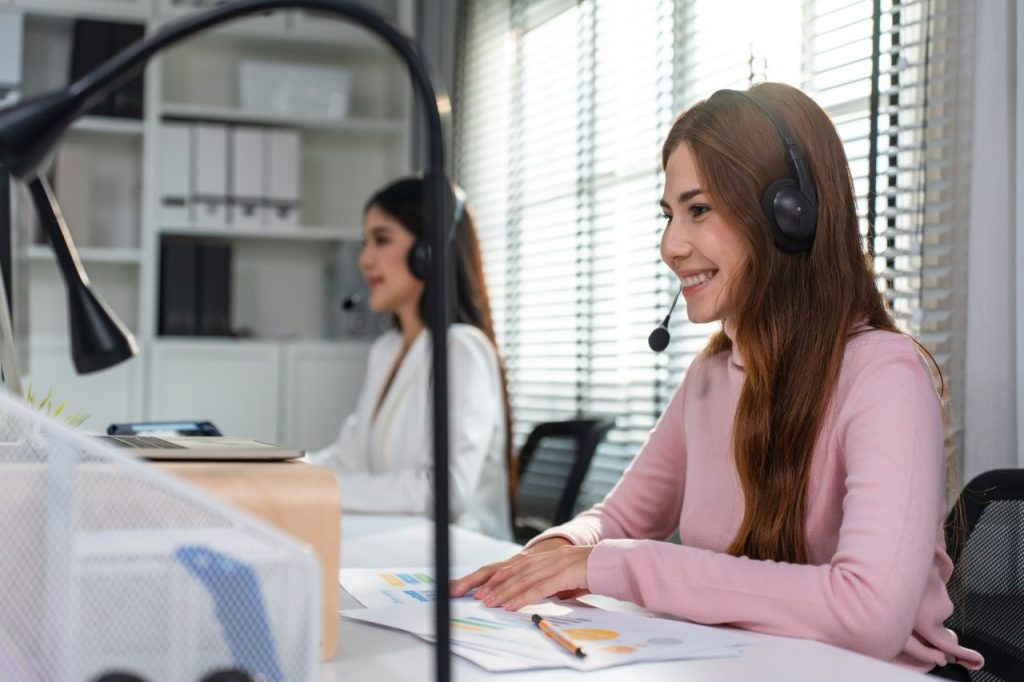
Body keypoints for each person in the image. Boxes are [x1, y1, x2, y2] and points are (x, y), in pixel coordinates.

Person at [451, 83, 983, 678]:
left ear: (790, 216)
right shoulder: (712, 374)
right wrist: (561, 549)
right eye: (669, 215)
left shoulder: (885, 376)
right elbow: (620, 519)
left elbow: (870, 613)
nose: (670, 245)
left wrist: (611, 566)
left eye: (698, 209)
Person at [307, 176, 514, 540]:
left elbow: (445, 490)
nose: (364, 259)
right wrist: (284, 472)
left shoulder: (462, 349)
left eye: (382, 240)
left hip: (461, 562)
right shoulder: (386, 350)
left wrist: (329, 489)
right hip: (399, 542)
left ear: (426, 253)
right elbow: (348, 458)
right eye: (366, 241)